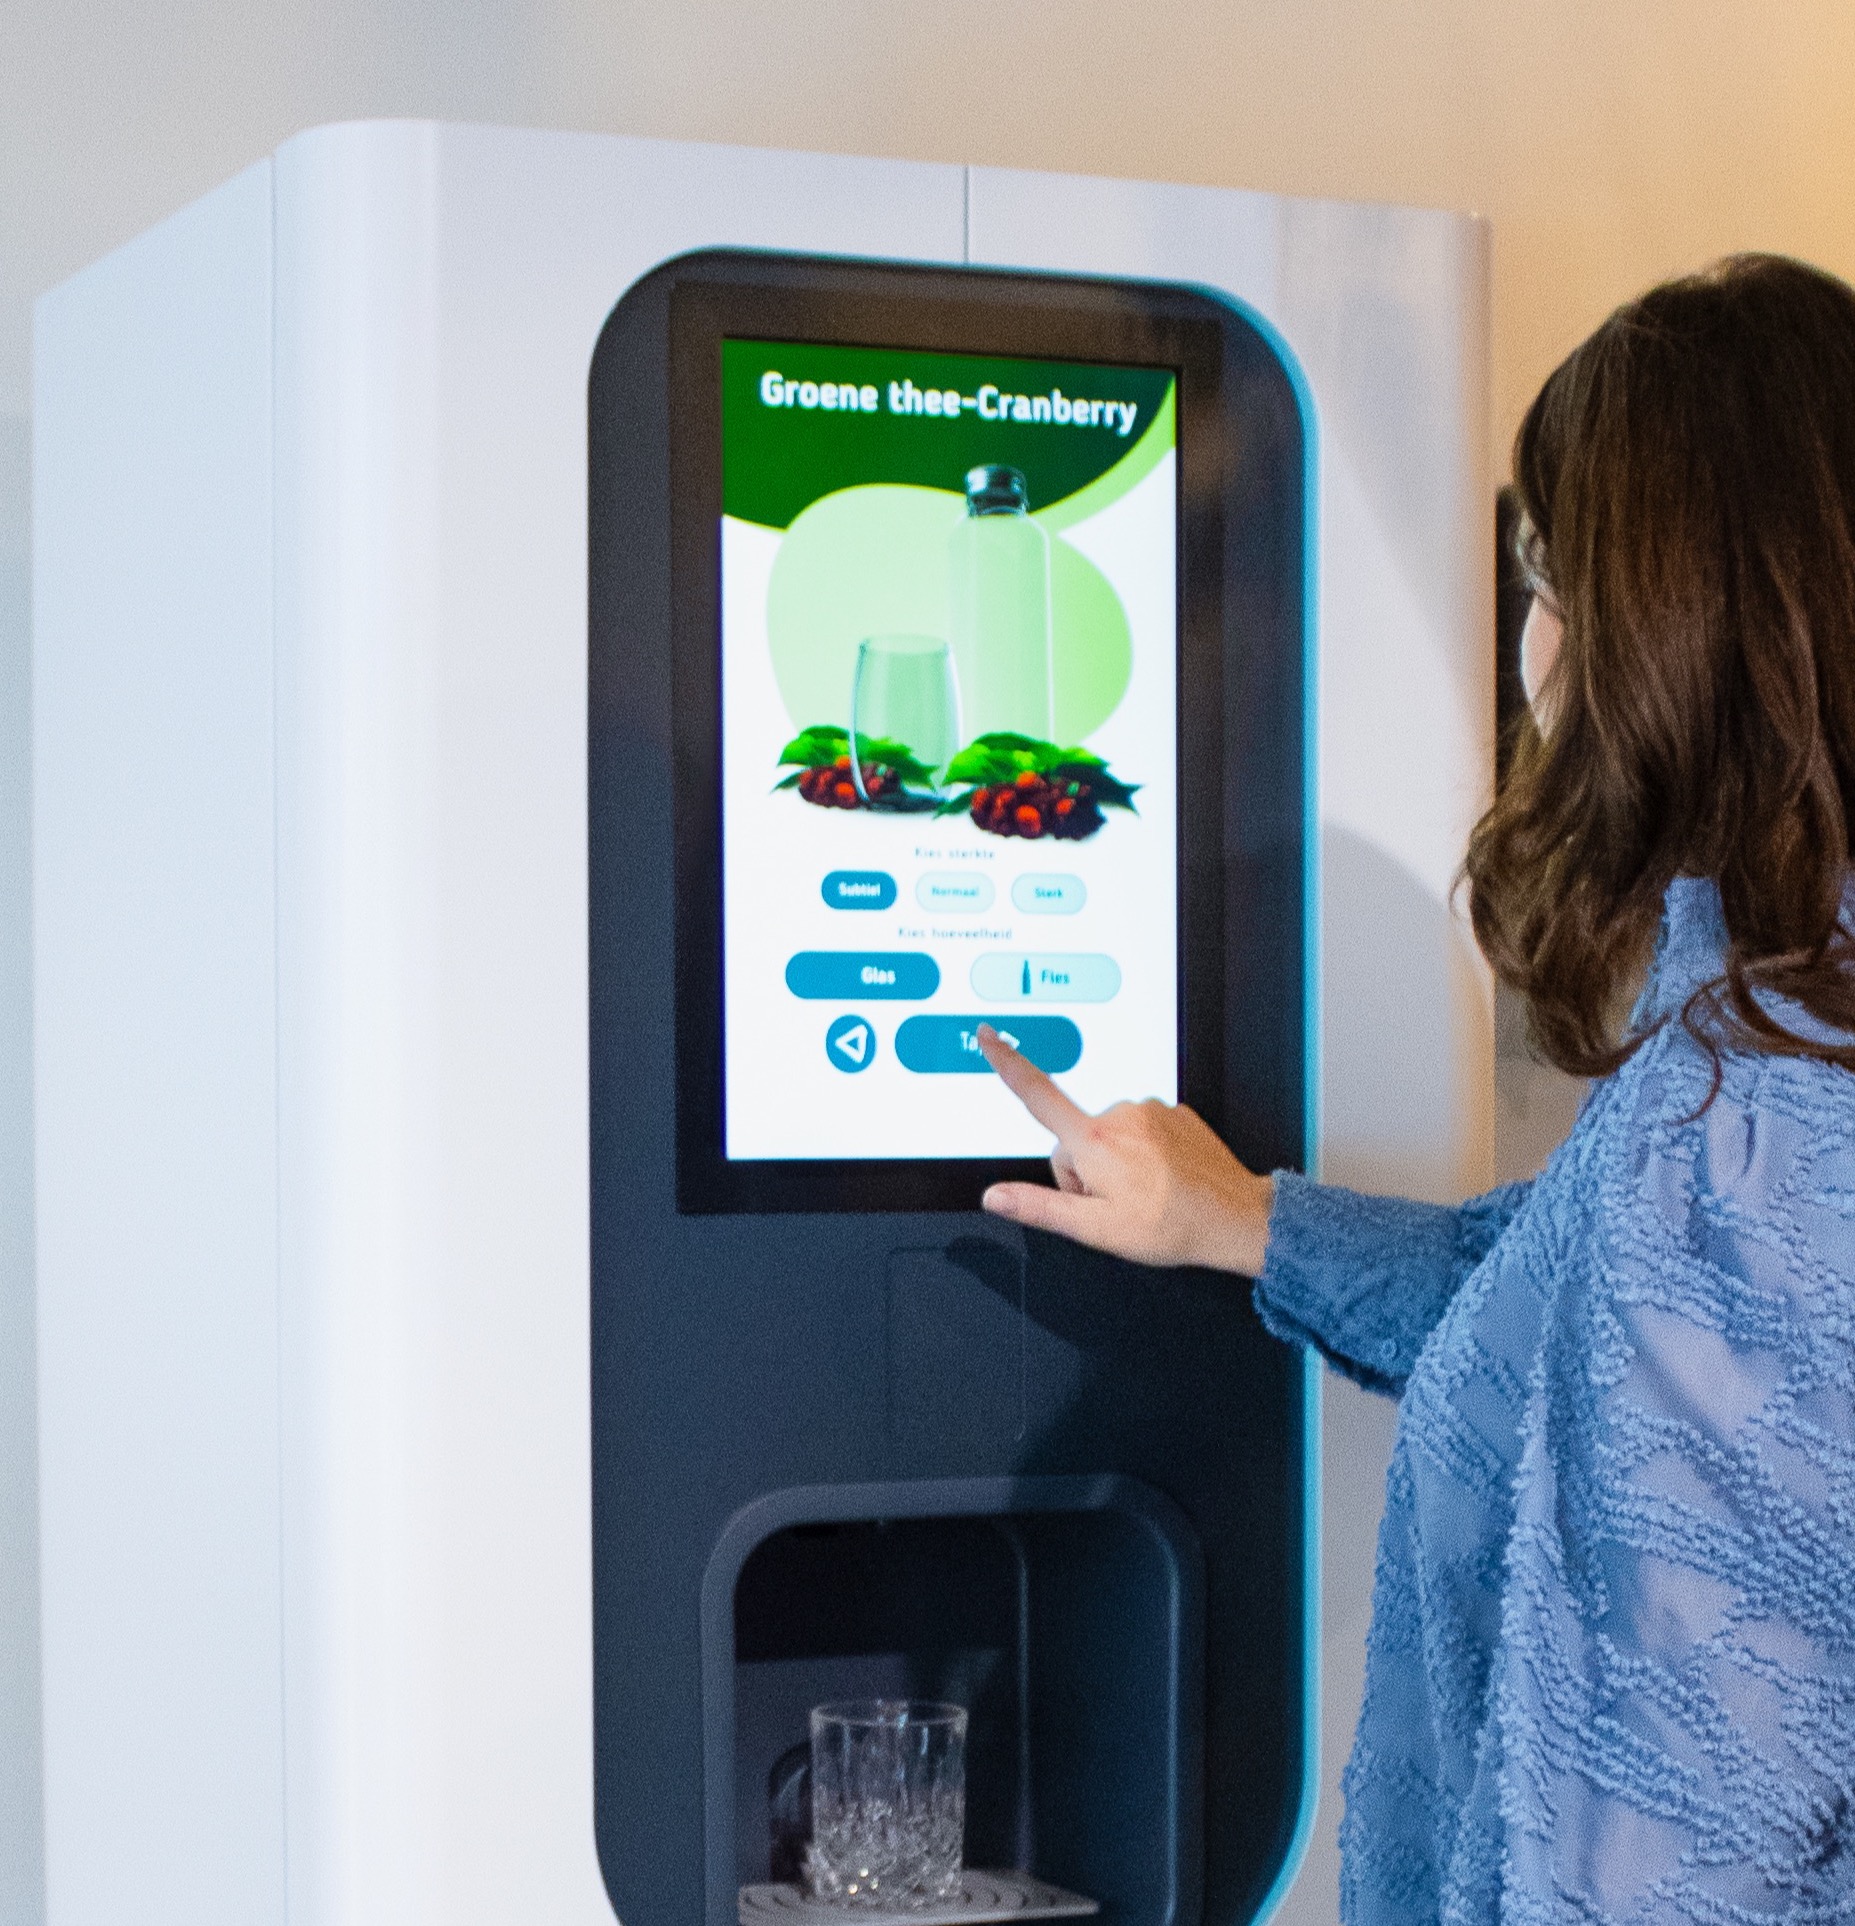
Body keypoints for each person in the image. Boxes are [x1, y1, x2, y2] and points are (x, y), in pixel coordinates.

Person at [978, 253, 1855, 1923]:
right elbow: (1577, 1312)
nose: (1528, 648)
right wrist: (1244, 1222)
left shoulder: (1750, 1125)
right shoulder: (1771, 1042)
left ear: (1671, 628)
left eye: (1549, 581)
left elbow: (1666, 1847)